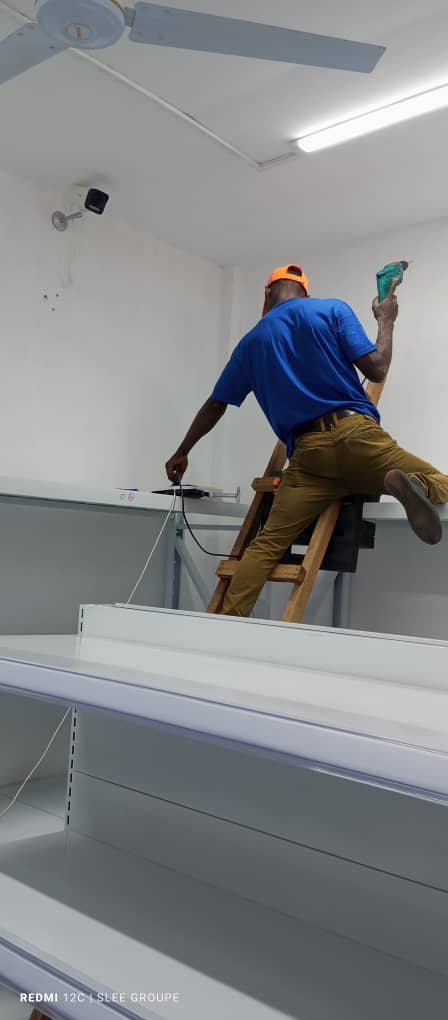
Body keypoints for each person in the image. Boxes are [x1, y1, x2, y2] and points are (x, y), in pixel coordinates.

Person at [165, 264, 448, 617]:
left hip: (308, 457)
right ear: (305, 292)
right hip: (356, 437)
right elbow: (376, 368)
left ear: (267, 294)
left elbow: (215, 405)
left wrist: (182, 452)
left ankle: (226, 623)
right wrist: (386, 320)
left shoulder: (251, 343)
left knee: (266, 546)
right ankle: (414, 485)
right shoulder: (330, 310)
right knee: (441, 482)